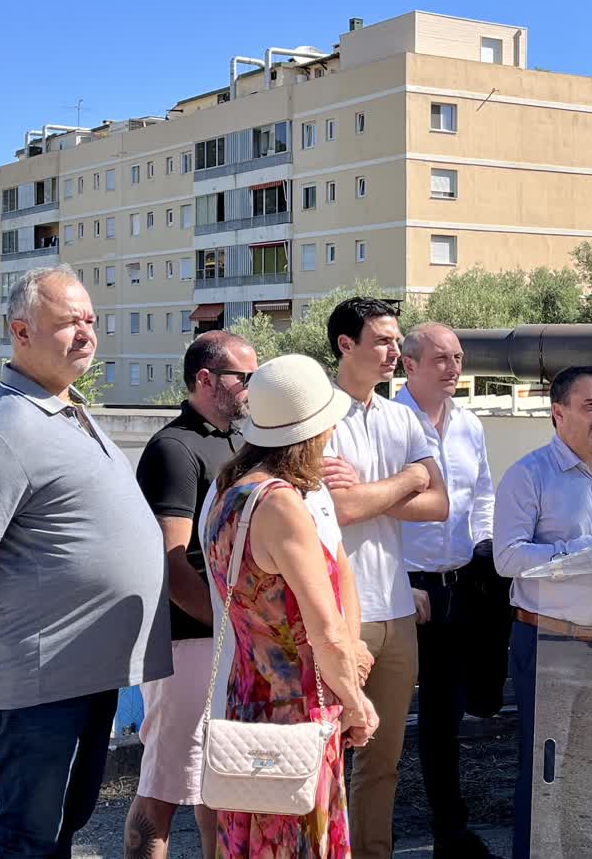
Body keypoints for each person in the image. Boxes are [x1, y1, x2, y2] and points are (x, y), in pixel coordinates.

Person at [0, 265, 171, 858]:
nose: (85, 333)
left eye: (90, 320)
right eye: (67, 323)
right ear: (21, 331)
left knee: (63, 826)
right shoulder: (3, 430)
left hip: (85, 672)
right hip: (39, 682)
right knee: (28, 839)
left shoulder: (69, 410)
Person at [203, 354, 380, 858]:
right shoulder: (279, 504)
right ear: (314, 432)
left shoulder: (229, 490)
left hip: (248, 697)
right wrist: (356, 702)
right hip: (298, 709)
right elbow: (323, 630)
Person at [494, 365, 592, 859]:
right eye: (591, 405)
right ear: (558, 413)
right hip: (548, 641)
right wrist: (584, 549)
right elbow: (508, 558)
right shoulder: (528, 475)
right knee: (546, 769)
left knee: (591, 767)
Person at [321, 298, 450, 859]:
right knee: (324, 758)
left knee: (383, 760)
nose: (395, 352)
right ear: (346, 345)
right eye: (382, 340)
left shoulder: (401, 416)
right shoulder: (315, 414)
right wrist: (408, 479)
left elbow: (441, 503)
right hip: (335, 613)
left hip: (397, 610)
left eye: (397, 341)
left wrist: (375, 489)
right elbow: (340, 509)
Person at [123, 331, 257, 859]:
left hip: (224, 640)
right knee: (164, 786)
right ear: (206, 379)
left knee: (217, 788)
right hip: (188, 643)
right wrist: (230, 628)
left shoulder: (234, 443)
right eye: (243, 377)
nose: (251, 387)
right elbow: (172, 562)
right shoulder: (173, 449)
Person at [394, 323, 499, 859]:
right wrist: (392, 582)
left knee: (443, 718)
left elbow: (482, 494)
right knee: (378, 718)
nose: (454, 367)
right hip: (399, 589)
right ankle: (366, 832)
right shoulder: (385, 424)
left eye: (457, 357)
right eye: (441, 358)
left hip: (459, 587)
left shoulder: (470, 425)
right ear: (409, 365)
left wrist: (484, 545)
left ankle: (449, 832)